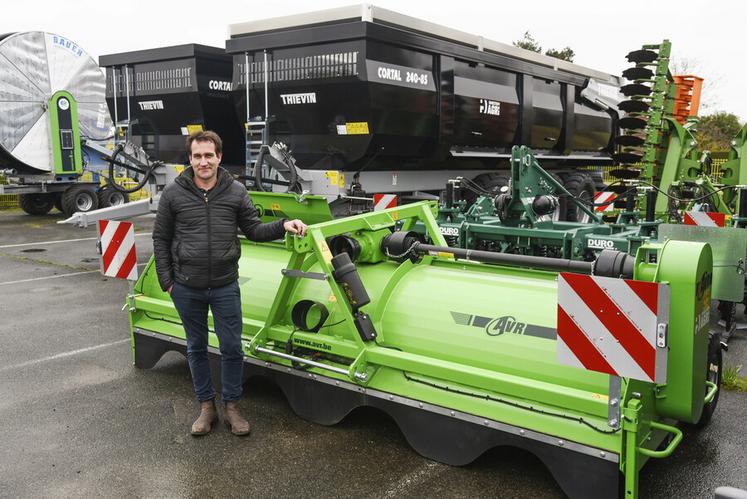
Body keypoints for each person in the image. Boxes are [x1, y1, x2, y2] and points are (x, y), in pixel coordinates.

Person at [152, 130, 307, 436]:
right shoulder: (173, 193)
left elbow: (254, 230)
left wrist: (284, 225)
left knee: (232, 348)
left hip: (224, 285)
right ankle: (206, 408)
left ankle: (232, 407)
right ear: (190, 158)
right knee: (196, 348)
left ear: (219, 157)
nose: (203, 161)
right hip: (187, 286)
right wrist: (167, 281)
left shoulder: (235, 192)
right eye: (197, 156)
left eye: (209, 155)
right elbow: (161, 238)